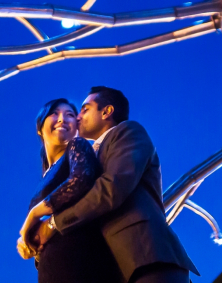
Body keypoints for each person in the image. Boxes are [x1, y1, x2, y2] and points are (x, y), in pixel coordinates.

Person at [23, 87, 199, 283]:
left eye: (84, 110)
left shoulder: (128, 132)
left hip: (146, 256)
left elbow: (110, 190)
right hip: (118, 267)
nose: (78, 118)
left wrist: (53, 223)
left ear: (106, 112)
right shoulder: (89, 157)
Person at [17, 98, 124, 283]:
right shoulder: (45, 178)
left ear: (76, 126)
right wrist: (29, 246)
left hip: (82, 264)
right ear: (40, 127)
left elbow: (81, 181)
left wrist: (34, 215)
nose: (62, 119)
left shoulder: (78, 146)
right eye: (54, 113)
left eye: (69, 115)